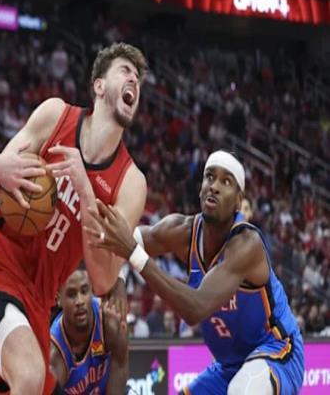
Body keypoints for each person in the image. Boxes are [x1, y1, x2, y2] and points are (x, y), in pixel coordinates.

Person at [0, 42, 148, 394]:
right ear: (99, 85)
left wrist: (85, 192)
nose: (134, 81)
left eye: (138, 78)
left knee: (33, 381)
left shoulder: (131, 183)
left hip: (42, 302)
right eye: (125, 71)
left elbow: (103, 279)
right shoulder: (55, 116)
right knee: (29, 374)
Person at [87, 150, 304, 394]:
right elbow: (128, 239)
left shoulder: (247, 244)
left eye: (226, 181)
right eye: (209, 177)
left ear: (238, 201)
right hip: (228, 366)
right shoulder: (182, 230)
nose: (214, 186)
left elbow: (195, 308)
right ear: (200, 189)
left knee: (243, 389)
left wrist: (132, 254)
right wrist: (119, 278)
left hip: (278, 351)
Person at [50, 269, 128, 395]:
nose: (80, 301)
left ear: (92, 290)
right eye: (71, 295)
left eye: (84, 291)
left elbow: (120, 369)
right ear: (58, 298)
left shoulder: (109, 323)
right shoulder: (55, 354)